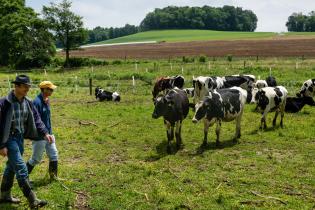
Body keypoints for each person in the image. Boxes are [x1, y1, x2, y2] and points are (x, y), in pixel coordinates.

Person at [0, 75, 53, 209]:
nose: (28, 89)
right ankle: (33, 199)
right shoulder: (4, 103)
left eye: (29, 87)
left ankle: (5, 195)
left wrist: (45, 132)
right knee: (21, 167)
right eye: (25, 86)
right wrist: (1, 145)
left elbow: (36, 119)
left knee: (11, 167)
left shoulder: (28, 102)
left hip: (20, 138)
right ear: (16, 86)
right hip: (9, 139)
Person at [26, 81, 58, 180]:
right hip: (39, 136)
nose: (52, 91)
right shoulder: (37, 102)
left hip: (49, 134)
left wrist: (50, 133)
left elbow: (47, 118)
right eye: (50, 89)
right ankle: (23, 178)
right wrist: (44, 133)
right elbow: (35, 121)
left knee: (54, 155)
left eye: (52, 89)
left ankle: (53, 177)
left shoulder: (47, 100)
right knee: (35, 159)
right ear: (44, 89)